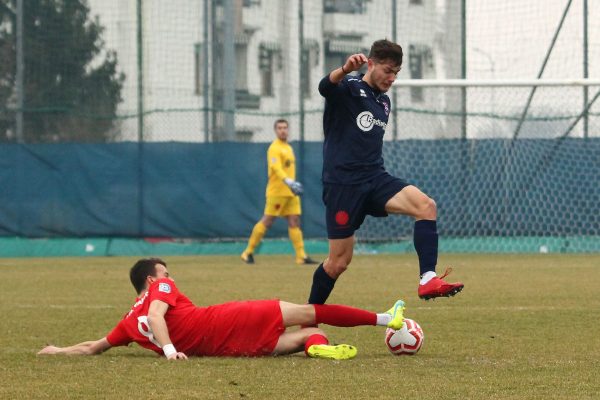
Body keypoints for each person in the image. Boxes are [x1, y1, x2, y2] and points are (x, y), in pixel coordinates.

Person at [308, 39, 464, 306]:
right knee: (338, 263)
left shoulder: (384, 102)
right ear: (371, 64)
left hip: (374, 178)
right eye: (388, 71)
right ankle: (308, 319)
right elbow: (325, 87)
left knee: (426, 206)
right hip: (343, 184)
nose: (392, 78)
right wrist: (344, 69)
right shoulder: (349, 87)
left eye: (396, 73)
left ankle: (427, 278)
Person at [38, 258, 406, 360]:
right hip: (233, 317)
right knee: (314, 313)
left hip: (228, 348)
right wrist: (168, 351)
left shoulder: (126, 325)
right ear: (152, 280)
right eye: (165, 273)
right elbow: (156, 316)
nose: (170, 277)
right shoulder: (160, 289)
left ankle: (317, 348)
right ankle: (388, 317)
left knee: (308, 336)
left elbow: (94, 346)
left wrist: (58, 351)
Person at [241, 118, 318, 265]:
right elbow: (276, 168)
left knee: (294, 221)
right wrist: (288, 181)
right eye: (280, 128)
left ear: (288, 130)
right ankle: (247, 252)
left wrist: (292, 184)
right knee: (268, 221)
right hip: (277, 192)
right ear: (276, 131)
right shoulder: (274, 148)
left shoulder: (288, 148)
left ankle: (301, 256)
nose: (283, 130)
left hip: (291, 193)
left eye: (285, 127)